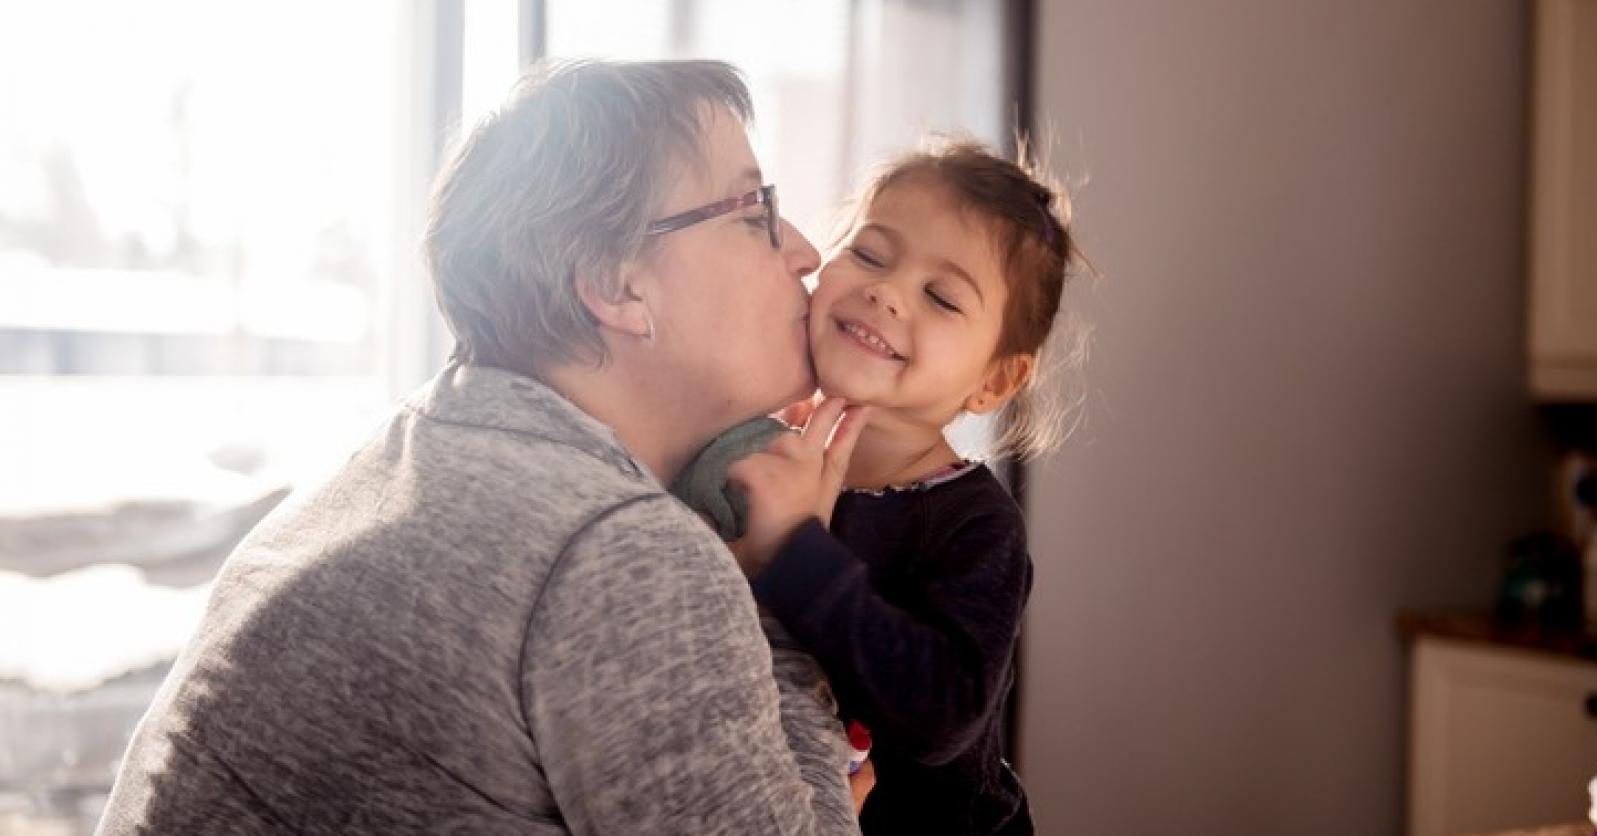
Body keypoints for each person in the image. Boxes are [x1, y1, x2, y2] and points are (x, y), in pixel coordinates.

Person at [95, 59, 868, 835]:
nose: (804, 251)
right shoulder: (616, 550)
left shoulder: (406, 456)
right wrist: (784, 573)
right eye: (753, 210)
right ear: (615, 284)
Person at [727, 140, 1080, 835]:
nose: (885, 292)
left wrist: (797, 552)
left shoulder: (975, 525)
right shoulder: (755, 448)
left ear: (995, 381)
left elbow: (941, 718)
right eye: (869, 254)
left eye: (942, 297)